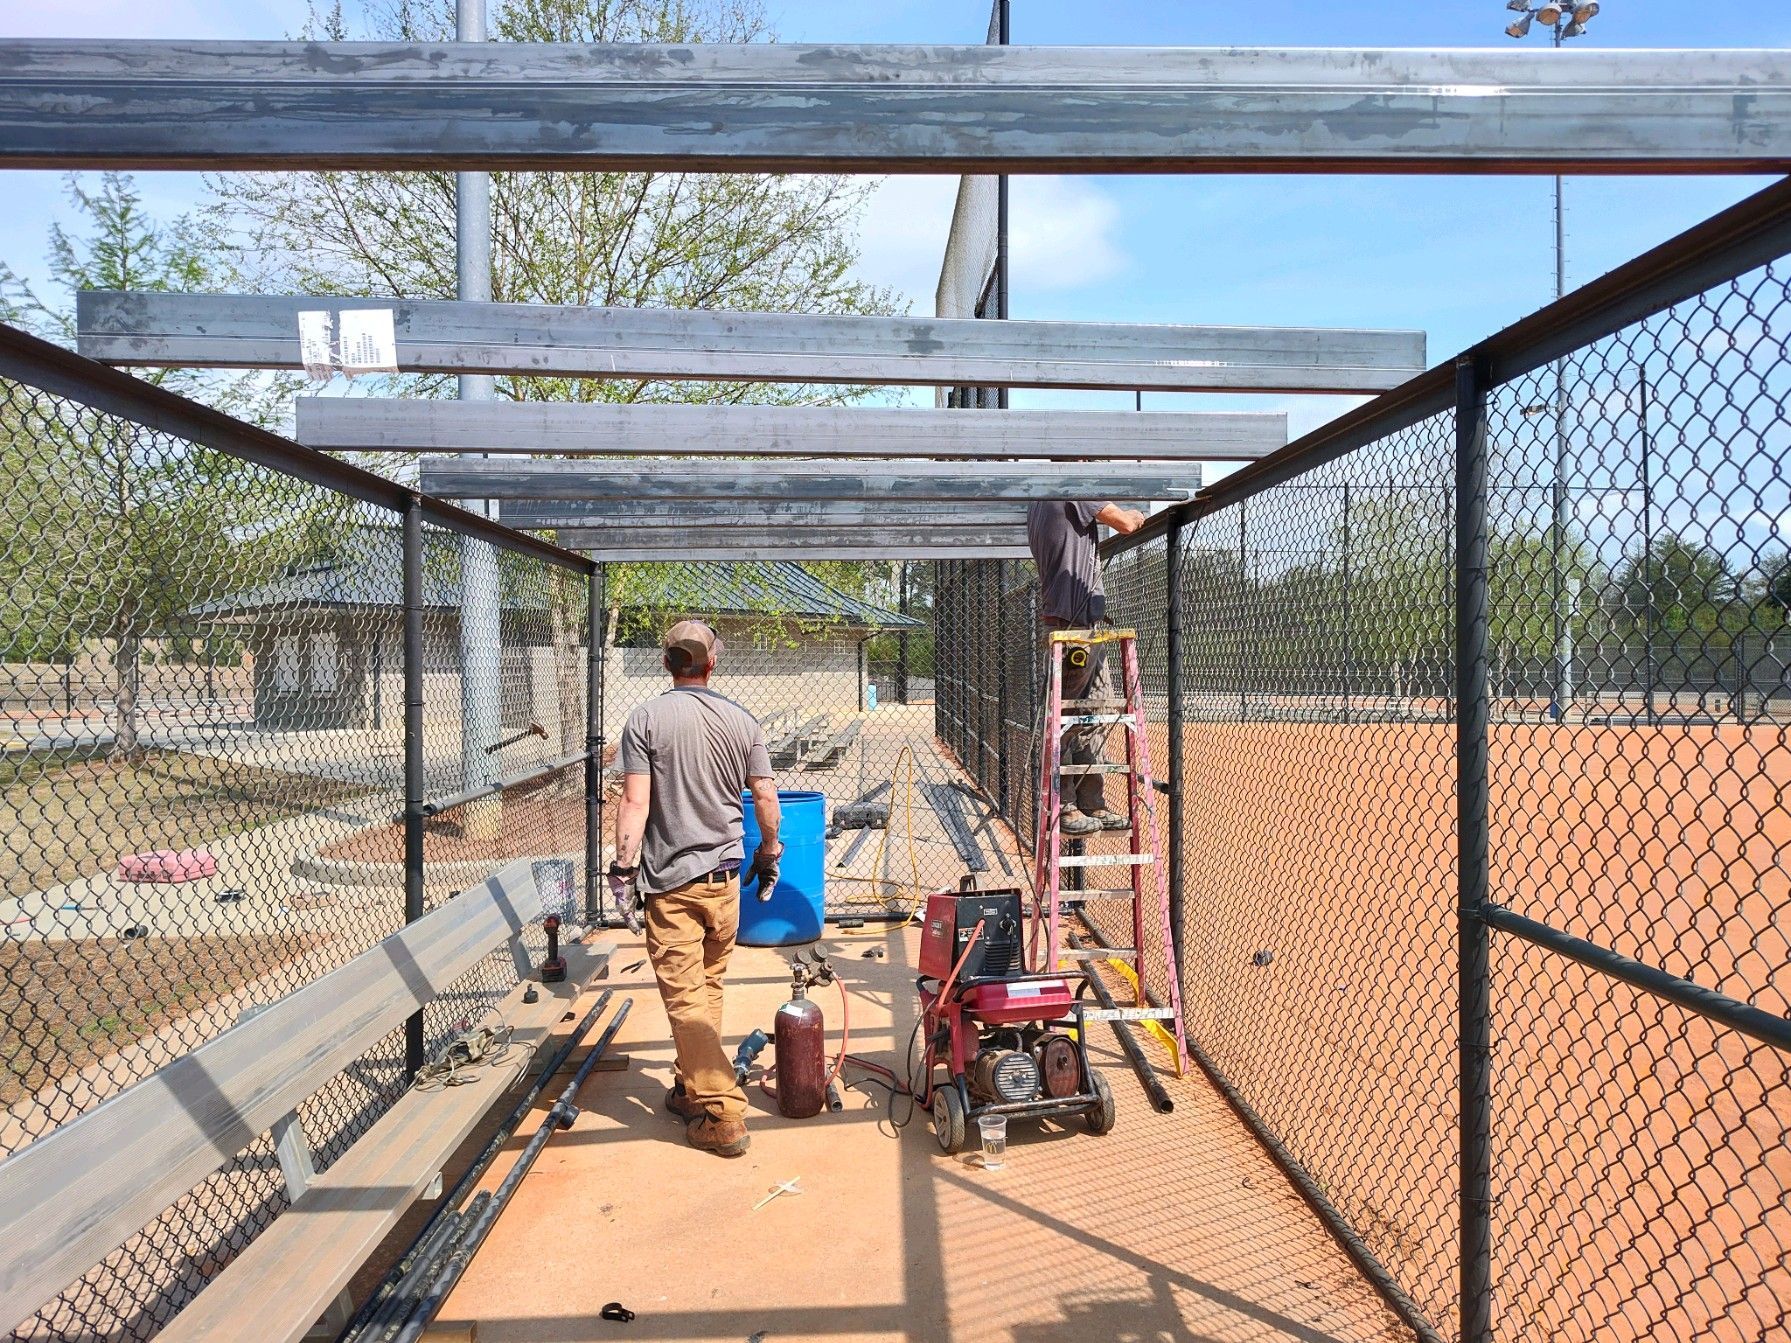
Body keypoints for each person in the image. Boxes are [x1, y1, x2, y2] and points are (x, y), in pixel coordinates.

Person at [608, 619, 782, 1158]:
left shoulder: (645, 719)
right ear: (713, 663)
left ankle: (722, 1113)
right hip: (725, 884)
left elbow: (636, 803)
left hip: (672, 886)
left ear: (667, 663)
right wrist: (769, 853)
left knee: (685, 1000)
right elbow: (766, 799)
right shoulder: (741, 720)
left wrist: (621, 868)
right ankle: (690, 1087)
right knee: (706, 988)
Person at [1026, 499, 1147, 837]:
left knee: (1098, 710)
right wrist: (1137, 516)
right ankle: (1065, 806)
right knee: (1069, 717)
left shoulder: (1039, 500)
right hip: (1073, 627)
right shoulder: (1071, 484)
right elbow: (1124, 522)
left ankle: (1092, 801)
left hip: (1084, 625)